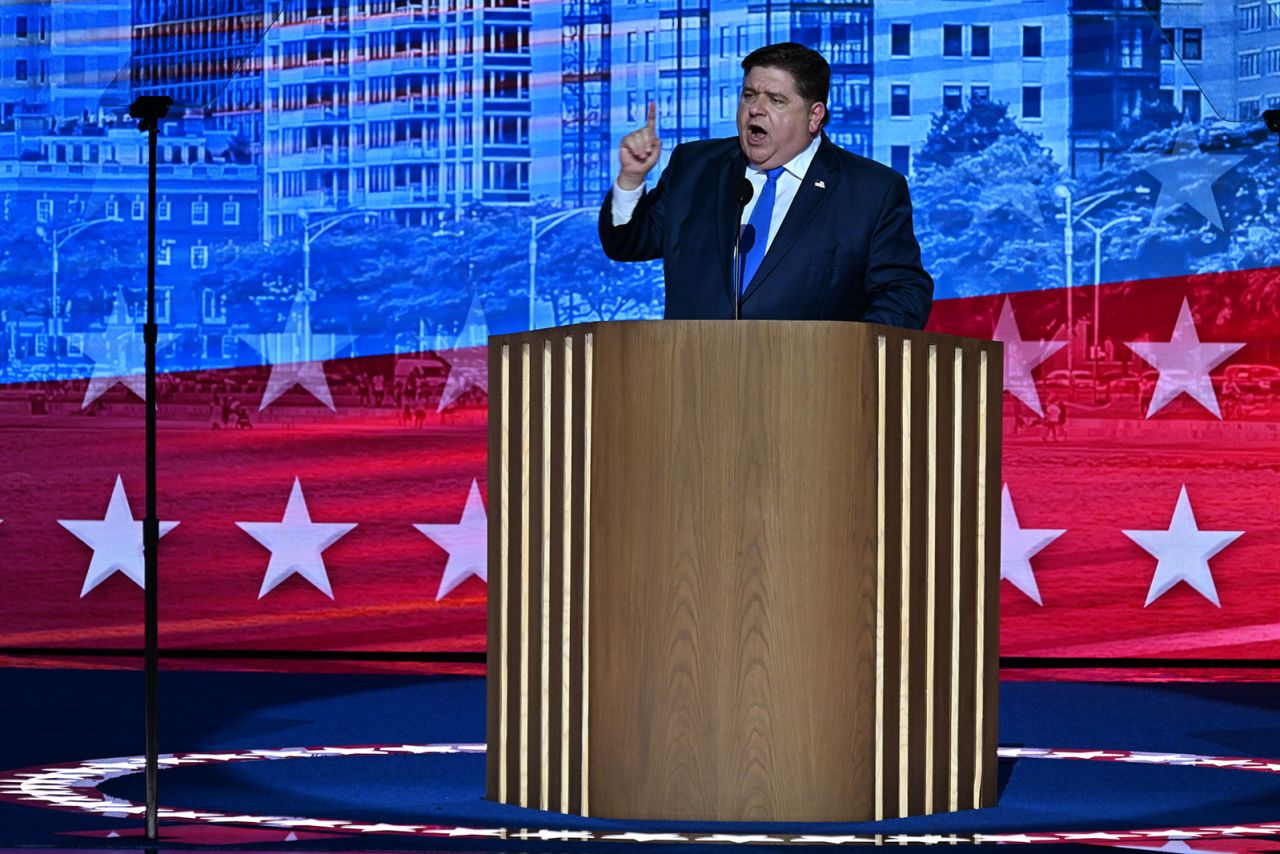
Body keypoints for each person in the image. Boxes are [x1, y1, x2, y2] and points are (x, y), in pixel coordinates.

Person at [599, 42, 933, 328]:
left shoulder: (870, 191)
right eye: (749, 95)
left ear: (814, 116)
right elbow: (628, 243)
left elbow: (903, 293)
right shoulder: (696, 167)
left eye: (775, 99)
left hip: (809, 389)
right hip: (694, 380)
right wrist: (631, 177)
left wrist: (846, 357)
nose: (755, 110)